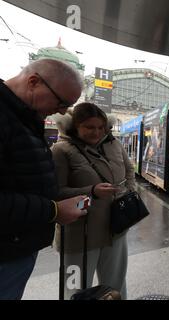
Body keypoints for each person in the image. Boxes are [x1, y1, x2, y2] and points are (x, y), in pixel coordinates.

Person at [0, 59, 88, 300]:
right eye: (61, 102)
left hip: (16, 245)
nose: (61, 111)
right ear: (33, 82)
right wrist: (53, 210)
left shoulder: (23, 116)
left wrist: (60, 201)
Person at [51, 102, 136, 299]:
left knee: (115, 286)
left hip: (116, 230)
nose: (96, 132)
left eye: (101, 127)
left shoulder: (114, 144)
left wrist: (128, 192)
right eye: (89, 127)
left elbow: (129, 170)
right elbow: (56, 192)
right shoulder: (61, 150)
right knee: (75, 289)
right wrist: (92, 191)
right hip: (77, 236)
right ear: (75, 127)